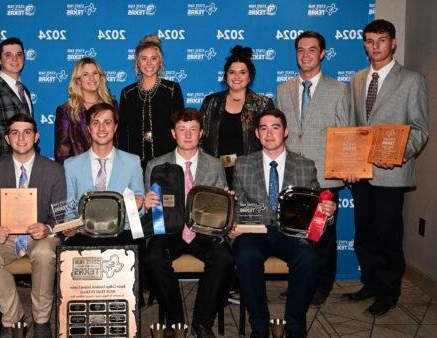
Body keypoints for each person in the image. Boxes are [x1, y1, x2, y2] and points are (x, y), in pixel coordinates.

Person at [343, 19, 429, 317]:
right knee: (364, 234)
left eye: (381, 39)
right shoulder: (356, 79)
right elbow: (355, 129)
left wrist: (397, 154)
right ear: (364, 45)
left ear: (393, 42)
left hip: (391, 174)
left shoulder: (411, 79)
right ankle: (371, 283)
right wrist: (349, 162)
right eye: (369, 40)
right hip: (361, 173)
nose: (375, 46)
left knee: (388, 234)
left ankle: (389, 292)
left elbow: (420, 129)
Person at [228, 109, 336, 338]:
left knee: (308, 259)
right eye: (264, 128)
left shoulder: (305, 165)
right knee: (245, 256)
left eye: (275, 127)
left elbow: (317, 206)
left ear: (285, 131)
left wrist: (327, 210)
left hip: (291, 233)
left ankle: (295, 325)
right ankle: (259, 324)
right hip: (255, 230)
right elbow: (238, 206)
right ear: (257, 133)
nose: (269, 134)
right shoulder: (243, 164)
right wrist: (233, 222)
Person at [276, 31, 352, 306]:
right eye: (300, 50)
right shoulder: (283, 89)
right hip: (293, 176)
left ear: (322, 53)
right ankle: (300, 283)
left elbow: (346, 134)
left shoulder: (339, 89)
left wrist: (346, 167)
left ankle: (322, 286)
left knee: (323, 235)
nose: (305, 55)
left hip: (325, 176)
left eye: (311, 50)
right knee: (296, 235)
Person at [143, 108, 233, 338]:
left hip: (202, 230)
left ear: (201, 133)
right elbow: (148, 208)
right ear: (173, 133)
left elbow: (220, 210)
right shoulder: (155, 165)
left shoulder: (214, 165)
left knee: (223, 257)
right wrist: (148, 202)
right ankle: (176, 322)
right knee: (153, 258)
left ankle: (202, 322)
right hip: (169, 231)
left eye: (193, 129)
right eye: (182, 129)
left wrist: (224, 201)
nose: (188, 134)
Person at [0, 113, 65, 338]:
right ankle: (14, 319)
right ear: (7, 139)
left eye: (27, 132)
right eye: (15, 132)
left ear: (35, 137)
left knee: (45, 252)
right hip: (7, 238)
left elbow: (61, 214)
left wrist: (48, 228)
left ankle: (42, 321)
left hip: (41, 236)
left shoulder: (53, 169)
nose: (21, 138)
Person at [63, 103, 145, 246]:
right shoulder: (71, 165)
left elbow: (140, 208)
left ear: (115, 127)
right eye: (96, 123)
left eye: (107, 122)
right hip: (84, 234)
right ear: (88, 128)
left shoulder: (132, 162)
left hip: (122, 232)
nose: (101, 128)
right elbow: (69, 210)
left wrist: (139, 205)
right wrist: (69, 227)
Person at [200, 45, 274, 187]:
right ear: (225, 75)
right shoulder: (211, 102)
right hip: (215, 173)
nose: (236, 77)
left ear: (249, 76)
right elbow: (201, 137)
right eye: (232, 72)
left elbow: (269, 140)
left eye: (242, 72)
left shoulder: (262, 104)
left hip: (251, 172)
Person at [118, 35, 184, 168]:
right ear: (137, 62)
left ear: (160, 62)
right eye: (144, 59)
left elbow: (179, 125)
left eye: (154, 59)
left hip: (166, 159)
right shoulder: (127, 93)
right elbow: (123, 132)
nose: (149, 63)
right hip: (134, 161)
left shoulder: (171, 89)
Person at [54, 57, 115, 164]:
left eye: (95, 73)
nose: (92, 78)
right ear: (78, 81)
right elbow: (62, 152)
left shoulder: (112, 105)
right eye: (85, 74)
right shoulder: (66, 111)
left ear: (100, 77)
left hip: (110, 168)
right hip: (80, 174)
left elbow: (118, 142)